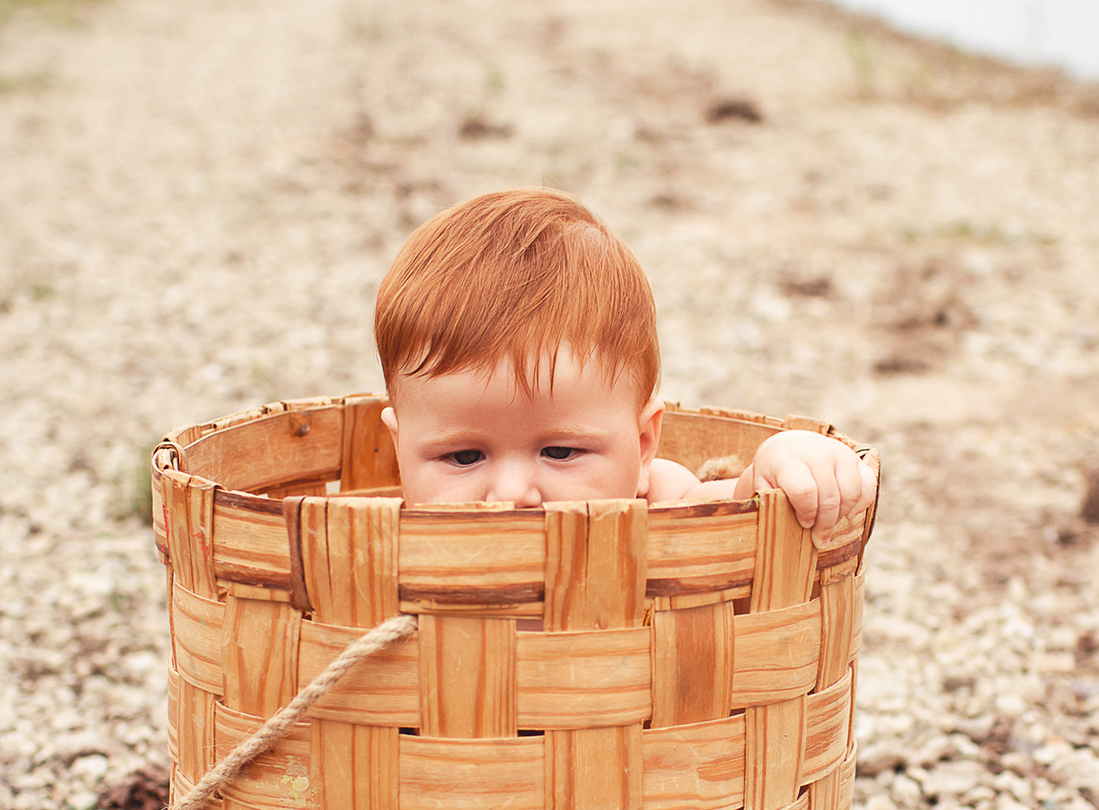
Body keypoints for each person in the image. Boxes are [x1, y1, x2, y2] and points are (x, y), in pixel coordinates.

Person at [374, 188, 874, 546]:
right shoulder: (382, 545)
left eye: (560, 451)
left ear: (641, 447)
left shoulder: (656, 506)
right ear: (401, 451)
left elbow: (731, 510)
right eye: (463, 457)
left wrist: (785, 462)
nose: (510, 496)